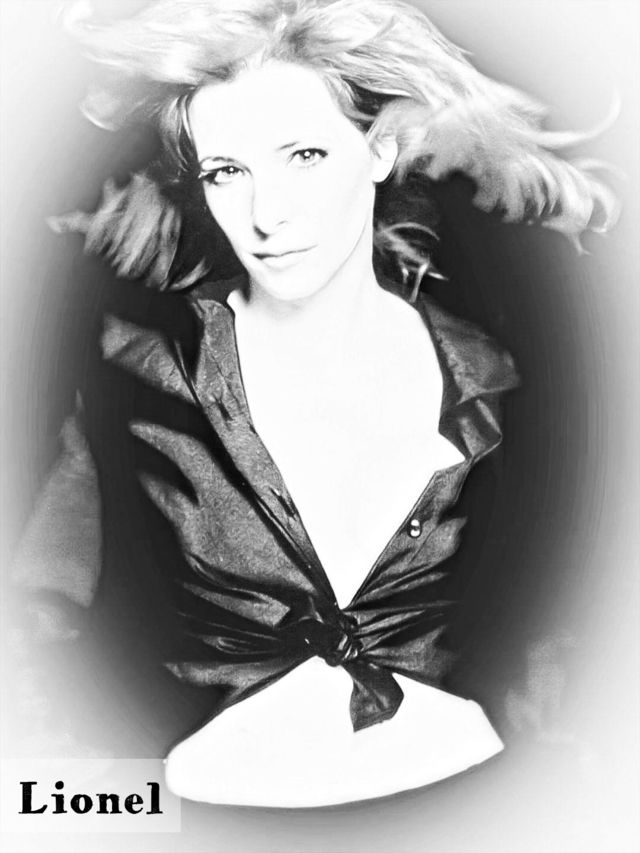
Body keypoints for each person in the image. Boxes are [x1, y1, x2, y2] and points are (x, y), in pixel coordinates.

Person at [10, 0, 618, 808]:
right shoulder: (137, 374)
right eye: (227, 171)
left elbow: (580, 645)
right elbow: (33, 654)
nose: (267, 215)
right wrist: (143, 814)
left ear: (381, 149)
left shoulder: (495, 382)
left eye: (304, 155)